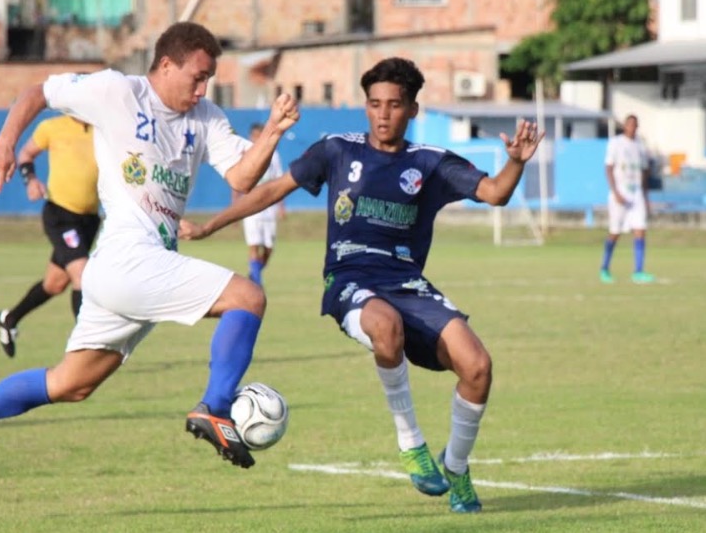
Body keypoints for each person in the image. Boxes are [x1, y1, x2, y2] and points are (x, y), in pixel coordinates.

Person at [0, 21, 300, 479]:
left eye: (208, 80)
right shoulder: (116, 91)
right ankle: (216, 408)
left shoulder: (206, 119)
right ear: (165, 64)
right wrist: (6, 143)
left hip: (129, 270)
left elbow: (242, 178)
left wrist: (274, 131)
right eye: (196, 76)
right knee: (249, 297)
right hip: (127, 259)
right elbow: (38, 91)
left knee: (70, 384)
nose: (203, 89)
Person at [179, 57, 544, 514]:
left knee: (478, 366)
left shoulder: (429, 162)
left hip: (408, 283)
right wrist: (213, 225)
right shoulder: (336, 150)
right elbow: (272, 190)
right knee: (385, 326)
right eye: (374, 104)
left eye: (394, 105)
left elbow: (495, 193)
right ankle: (411, 443)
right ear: (365, 106)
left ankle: (456, 465)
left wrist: (514, 162)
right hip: (350, 279)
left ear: (412, 109)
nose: (383, 114)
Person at [0, 114, 100, 358]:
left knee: (55, 284)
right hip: (60, 215)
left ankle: (9, 319)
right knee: (82, 275)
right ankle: (86, 345)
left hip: (90, 219)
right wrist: (30, 180)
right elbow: (26, 154)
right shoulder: (52, 127)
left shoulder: (102, 128)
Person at [599, 114, 655, 284]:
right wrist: (615, 191)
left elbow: (645, 172)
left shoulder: (640, 146)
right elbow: (608, 168)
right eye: (629, 124)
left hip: (636, 192)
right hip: (620, 192)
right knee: (615, 232)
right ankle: (604, 268)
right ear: (625, 126)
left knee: (640, 230)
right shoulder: (616, 143)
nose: (632, 128)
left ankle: (638, 271)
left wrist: (645, 196)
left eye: (635, 125)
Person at [232, 122, 285, 286]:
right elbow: (236, 182)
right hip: (250, 206)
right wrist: (235, 207)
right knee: (254, 245)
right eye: (254, 136)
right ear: (250, 136)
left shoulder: (273, 155)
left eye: (259, 135)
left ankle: (254, 274)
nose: (256, 139)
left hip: (269, 207)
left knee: (268, 248)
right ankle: (256, 283)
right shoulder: (244, 154)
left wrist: (281, 206)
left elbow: (279, 181)